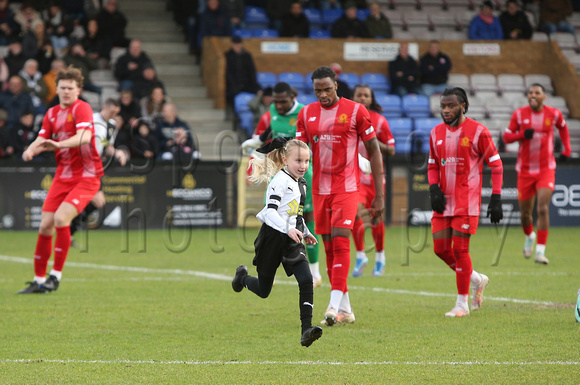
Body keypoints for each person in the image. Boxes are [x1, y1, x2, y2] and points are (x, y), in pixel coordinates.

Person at [296, 66, 384, 326]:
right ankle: (346, 309)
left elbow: (375, 151)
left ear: (336, 85)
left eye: (327, 89)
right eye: (317, 90)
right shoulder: (306, 113)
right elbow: (300, 152)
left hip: (347, 188)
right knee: (329, 248)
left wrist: (379, 194)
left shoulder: (356, 111)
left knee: (341, 241)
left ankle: (333, 306)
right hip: (319, 190)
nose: (323, 94)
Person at [18, 65, 103, 294]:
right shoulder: (52, 113)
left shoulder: (82, 108)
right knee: (45, 225)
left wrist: (59, 144)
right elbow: (41, 137)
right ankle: (38, 280)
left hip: (87, 176)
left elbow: (84, 137)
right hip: (63, 176)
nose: (66, 91)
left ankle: (54, 276)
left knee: (60, 218)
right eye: (62, 87)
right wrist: (30, 150)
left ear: (78, 90)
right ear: (56, 89)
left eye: (70, 88)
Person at [231, 138, 323, 348]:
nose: (303, 166)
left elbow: (296, 214)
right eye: (298, 161)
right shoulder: (279, 181)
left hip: (292, 239)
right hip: (272, 238)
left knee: (306, 279)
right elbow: (270, 212)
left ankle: (306, 329)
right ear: (284, 159)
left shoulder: (302, 183)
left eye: (307, 161)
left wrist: (305, 231)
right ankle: (242, 278)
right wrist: (287, 228)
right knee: (264, 290)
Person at [428, 87, 504, 317]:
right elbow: (432, 165)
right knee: (440, 249)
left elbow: (497, 165)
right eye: (443, 106)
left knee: (461, 251)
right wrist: (433, 188)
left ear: (463, 106)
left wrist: (496, 196)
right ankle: (476, 279)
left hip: (466, 202)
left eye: (451, 106)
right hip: (444, 202)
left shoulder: (479, 131)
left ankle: (462, 304)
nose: (446, 110)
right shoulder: (436, 132)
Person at [241, 81, 323, 288]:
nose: (278, 106)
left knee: (303, 218)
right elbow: (273, 130)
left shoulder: (304, 112)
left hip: (303, 173)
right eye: (275, 102)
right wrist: (258, 140)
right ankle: (269, 264)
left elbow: (291, 140)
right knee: (272, 215)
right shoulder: (272, 109)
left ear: (292, 98)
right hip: (277, 170)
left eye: (282, 102)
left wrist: (262, 147)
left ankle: (315, 271)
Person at [503, 84, 571, 265]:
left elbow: (563, 127)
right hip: (524, 170)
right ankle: (529, 236)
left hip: (545, 169)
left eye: (537, 93)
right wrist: (522, 135)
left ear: (544, 97)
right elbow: (506, 137)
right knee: (525, 214)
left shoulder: (554, 114)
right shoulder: (519, 114)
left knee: (542, 208)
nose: (533, 95)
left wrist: (567, 149)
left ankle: (540, 251)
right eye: (530, 93)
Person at [351, 84, 395, 278]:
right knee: (354, 213)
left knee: (376, 219)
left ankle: (380, 257)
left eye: (366, 95)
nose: (362, 98)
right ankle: (361, 255)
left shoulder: (380, 121)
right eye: (358, 95)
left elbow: (392, 150)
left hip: (375, 178)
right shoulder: (348, 120)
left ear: (371, 98)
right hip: (355, 178)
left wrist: (374, 142)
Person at [70, 98, 126, 241]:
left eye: (116, 112)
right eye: (112, 111)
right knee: (96, 201)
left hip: (95, 167)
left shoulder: (112, 126)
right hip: (82, 165)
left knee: (98, 202)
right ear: (105, 107)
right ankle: (67, 229)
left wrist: (117, 153)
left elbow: (107, 148)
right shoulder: (91, 119)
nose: (114, 114)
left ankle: (68, 229)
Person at [225, 35, 260, 107]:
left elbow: (252, 72)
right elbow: (229, 73)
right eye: (235, 44)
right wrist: (233, 85)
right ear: (232, 45)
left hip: (246, 84)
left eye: (238, 44)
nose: (237, 46)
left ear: (241, 45)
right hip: (234, 85)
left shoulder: (247, 56)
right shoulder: (228, 56)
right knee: (233, 93)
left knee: (260, 92)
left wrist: (255, 85)